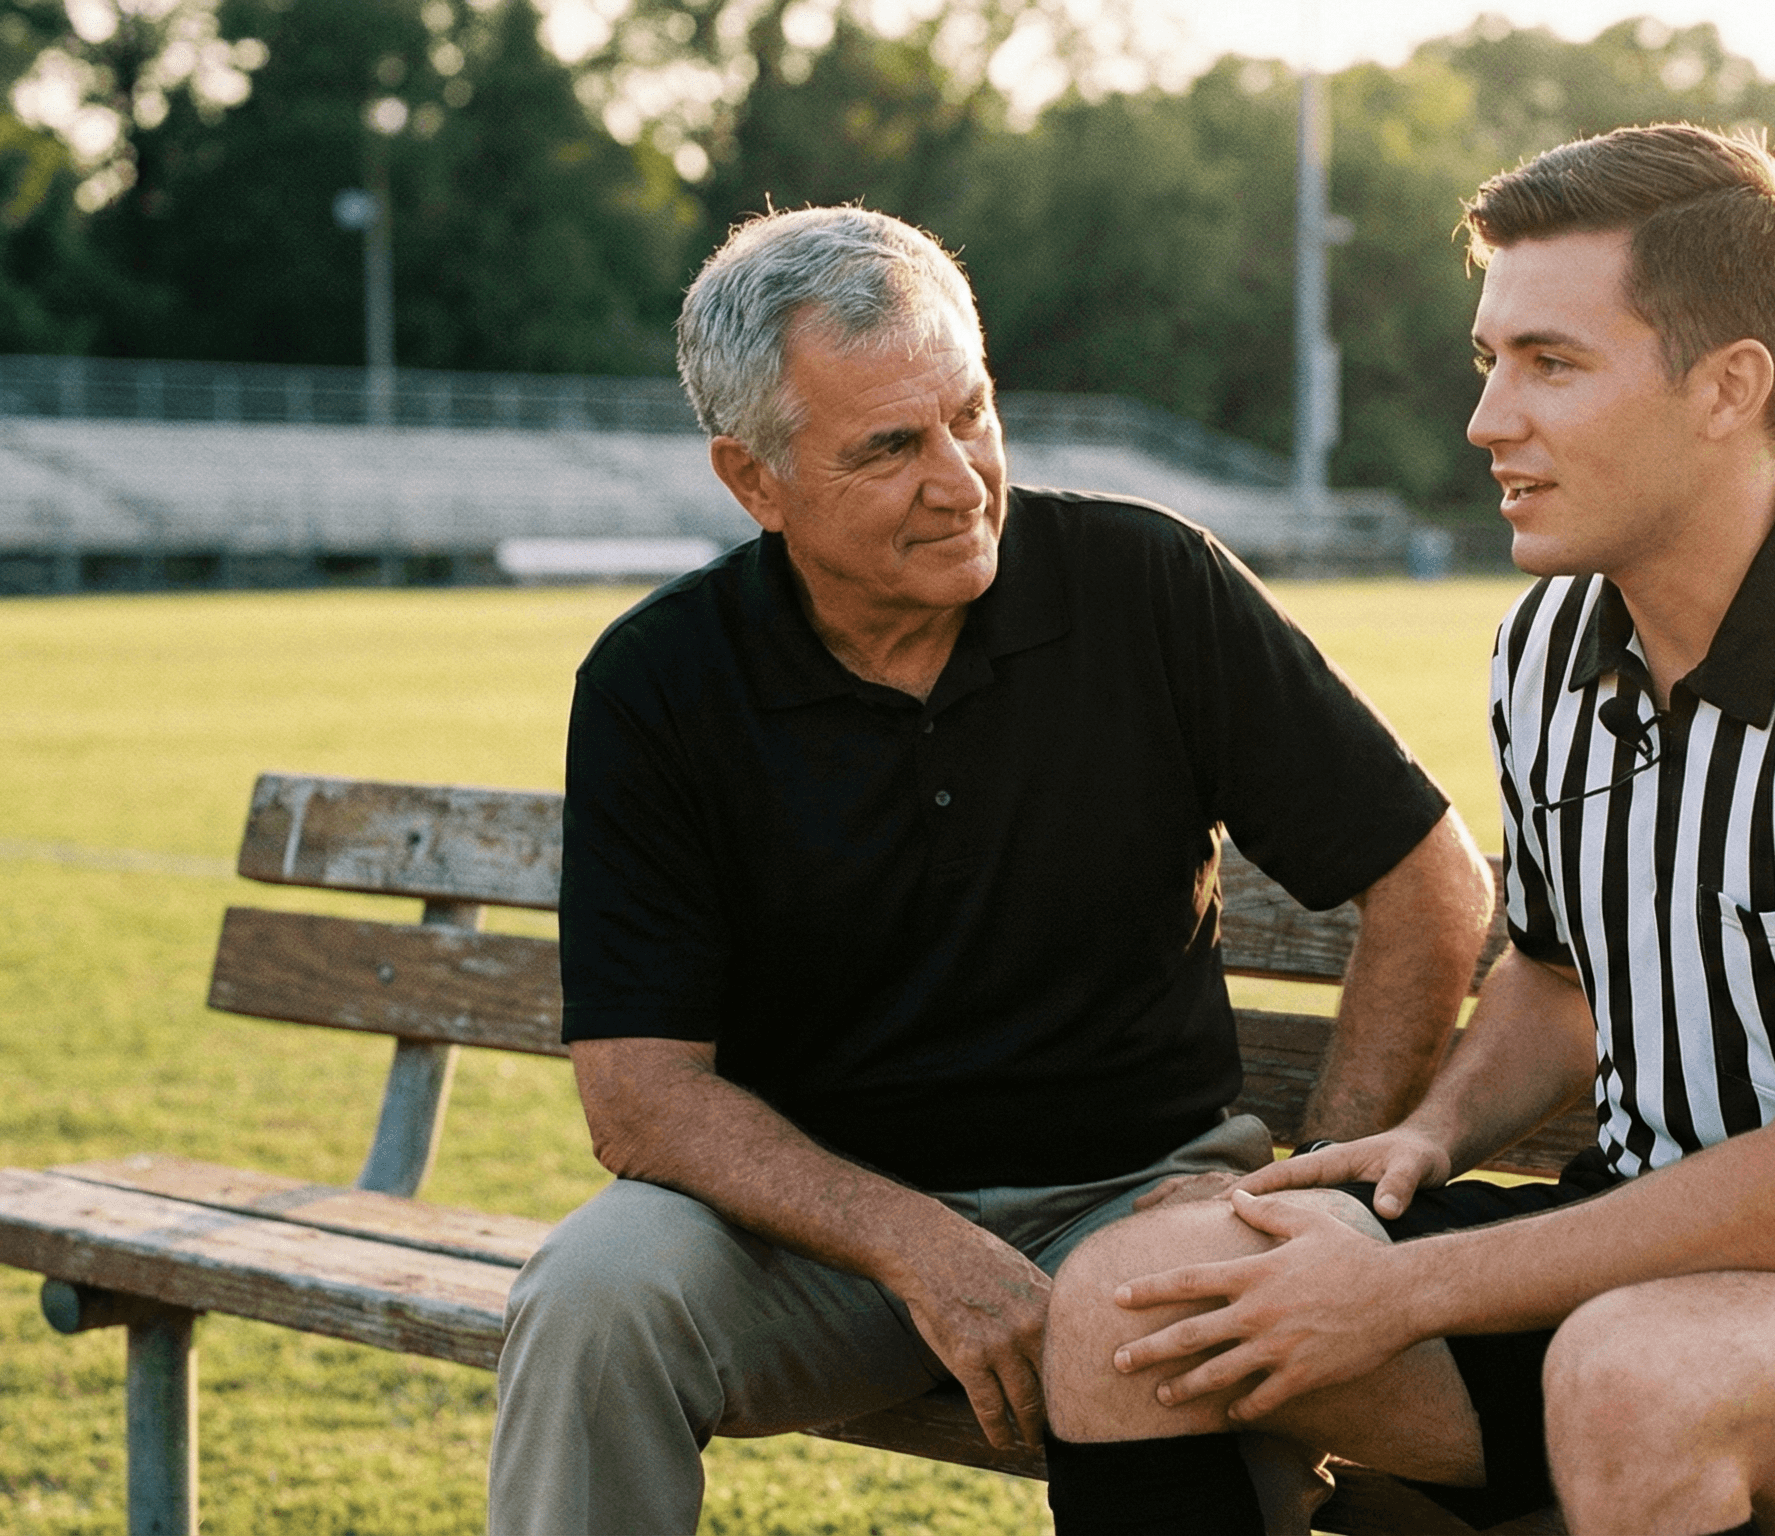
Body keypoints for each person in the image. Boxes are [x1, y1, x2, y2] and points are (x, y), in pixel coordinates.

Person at [1041, 123, 1775, 1536]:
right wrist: (1432, 1133)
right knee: (1125, 1296)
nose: (1490, 419)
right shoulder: (1548, 643)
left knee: (1637, 1376)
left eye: (1552, 364)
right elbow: (1551, 982)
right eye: (1489, 361)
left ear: (1727, 389)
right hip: (1631, 1251)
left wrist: (1398, 1287)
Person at [483, 205, 1495, 1536]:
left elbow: (1431, 886)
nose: (959, 478)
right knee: (590, 1297)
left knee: (1188, 1319)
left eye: (973, 414)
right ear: (756, 480)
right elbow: (642, 1100)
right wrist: (917, 1245)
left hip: (1146, 1204)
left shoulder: (1146, 582)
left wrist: (1322, 1187)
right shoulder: (658, 683)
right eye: (891, 447)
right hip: (820, 1240)